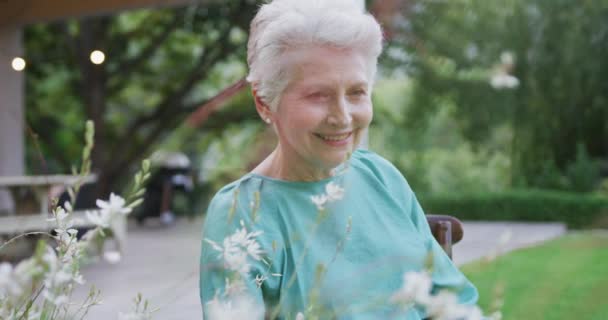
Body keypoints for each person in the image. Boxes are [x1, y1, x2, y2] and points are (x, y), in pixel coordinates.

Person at [200, 1, 480, 319]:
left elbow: (453, 303)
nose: (343, 117)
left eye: (357, 92)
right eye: (318, 94)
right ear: (265, 103)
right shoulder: (240, 212)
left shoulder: (380, 176)